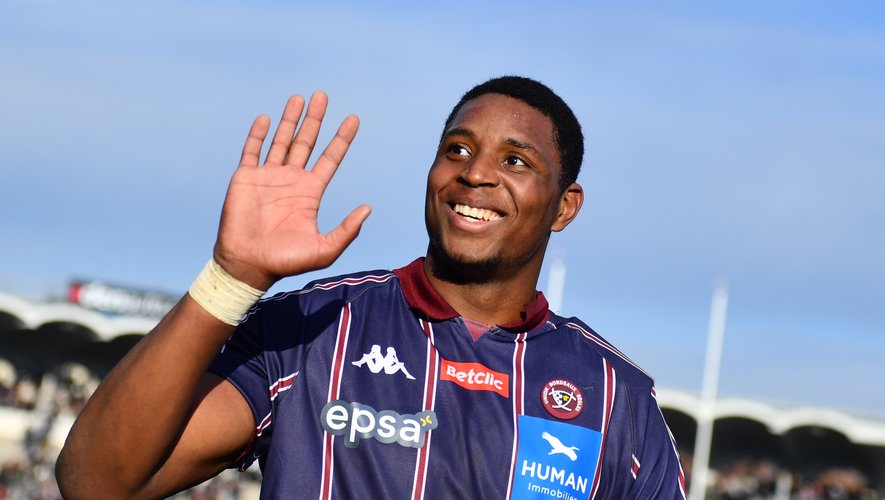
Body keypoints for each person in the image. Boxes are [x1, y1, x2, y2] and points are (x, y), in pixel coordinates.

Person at [56, 76, 686, 499]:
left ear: (564, 206)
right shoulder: (312, 329)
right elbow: (94, 481)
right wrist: (232, 278)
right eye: (457, 150)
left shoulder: (616, 398)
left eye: (515, 161)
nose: (475, 175)